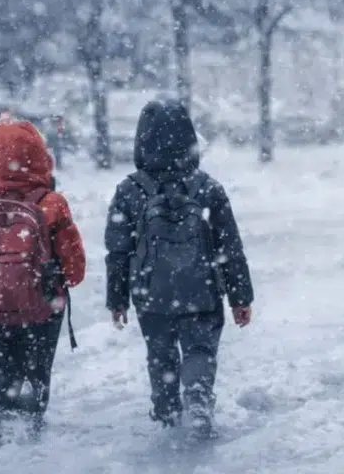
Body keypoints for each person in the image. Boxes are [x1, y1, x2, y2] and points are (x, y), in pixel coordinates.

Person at [105, 98, 254, 439]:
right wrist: (240, 297)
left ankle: (166, 412)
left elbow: (118, 251)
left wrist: (117, 299)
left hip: (151, 293)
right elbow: (230, 248)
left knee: (160, 354)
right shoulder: (208, 188)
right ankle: (199, 397)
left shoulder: (130, 190)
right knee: (200, 348)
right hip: (201, 290)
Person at [0, 114, 86, 442]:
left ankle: (4, 413)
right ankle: (33, 416)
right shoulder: (51, 204)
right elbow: (74, 265)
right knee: (38, 363)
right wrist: (63, 278)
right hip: (43, 304)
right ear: (41, 157)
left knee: (2, 359)